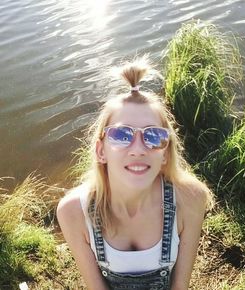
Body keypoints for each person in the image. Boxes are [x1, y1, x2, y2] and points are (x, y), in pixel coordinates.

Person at [57, 57, 214, 290]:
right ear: (101, 151)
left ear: (165, 154)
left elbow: (180, 286)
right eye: (121, 135)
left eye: (153, 136)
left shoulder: (190, 198)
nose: (139, 149)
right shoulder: (73, 212)